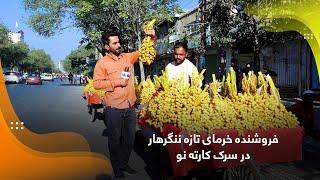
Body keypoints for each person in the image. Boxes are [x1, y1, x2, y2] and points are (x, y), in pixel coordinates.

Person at [93, 29, 156, 179]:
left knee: (129, 140)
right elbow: (97, 84)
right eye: (114, 43)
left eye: (118, 42)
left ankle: (123, 163)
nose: (118, 45)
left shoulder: (128, 57)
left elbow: (145, 51)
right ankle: (118, 169)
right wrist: (117, 82)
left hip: (129, 106)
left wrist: (152, 37)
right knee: (115, 141)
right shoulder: (102, 63)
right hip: (113, 109)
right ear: (107, 47)